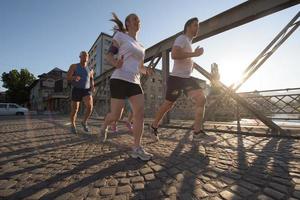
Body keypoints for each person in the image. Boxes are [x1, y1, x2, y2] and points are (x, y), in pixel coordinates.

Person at [100, 13, 154, 161]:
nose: (138, 21)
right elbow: (109, 54)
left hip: (134, 81)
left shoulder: (142, 47)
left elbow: (140, 67)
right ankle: (105, 124)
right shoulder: (120, 36)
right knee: (115, 116)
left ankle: (136, 147)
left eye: (139, 20)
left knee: (140, 113)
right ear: (127, 23)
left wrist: (146, 71)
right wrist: (114, 63)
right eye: (135, 19)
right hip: (119, 79)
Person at [150, 17, 206, 141]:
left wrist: (192, 63)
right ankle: (153, 126)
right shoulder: (182, 38)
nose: (198, 28)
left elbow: (184, 58)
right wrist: (194, 54)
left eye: (198, 25)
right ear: (188, 27)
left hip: (186, 78)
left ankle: (197, 132)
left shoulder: (189, 43)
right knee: (168, 105)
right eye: (195, 25)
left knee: (201, 98)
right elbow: (174, 54)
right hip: (176, 79)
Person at [67, 51, 95, 134]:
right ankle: (72, 124)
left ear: (88, 58)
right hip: (76, 89)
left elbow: (91, 79)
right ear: (80, 57)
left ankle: (84, 122)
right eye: (83, 56)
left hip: (86, 90)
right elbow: (68, 77)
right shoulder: (74, 66)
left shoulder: (90, 69)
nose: (85, 57)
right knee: (75, 110)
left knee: (90, 107)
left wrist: (93, 86)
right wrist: (74, 77)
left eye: (86, 56)